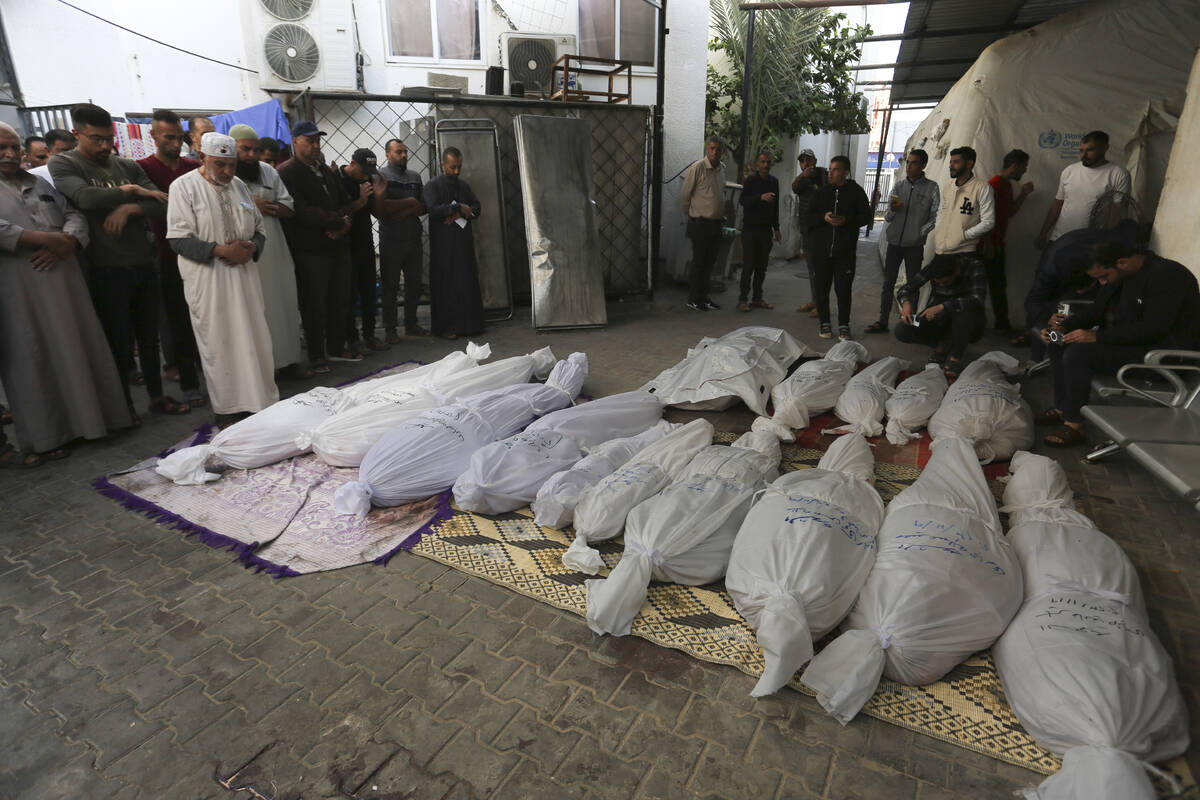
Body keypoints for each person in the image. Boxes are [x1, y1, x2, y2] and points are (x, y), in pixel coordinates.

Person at [49, 103, 190, 422]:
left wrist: (130, 209)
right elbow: (84, 198)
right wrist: (130, 191)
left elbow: (164, 204)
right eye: (96, 139)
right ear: (77, 134)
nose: (104, 146)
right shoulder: (63, 163)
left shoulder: (124, 164)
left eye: (108, 138)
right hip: (103, 267)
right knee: (119, 342)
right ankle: (122, 405)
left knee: (149, 339)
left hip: (142, 261)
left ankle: (157, 396)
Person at [0, 122, 131, 461]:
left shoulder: (39, 181)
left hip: (67, 282)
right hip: (21, 290)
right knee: (33, 358)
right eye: (3, 148)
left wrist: (68, 241)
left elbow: (74, 214)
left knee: (81, 347)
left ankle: (99, 421)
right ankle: (49, 436)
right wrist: (45, 239)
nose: (10, 154)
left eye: (15, 147)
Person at [1038, 241, 1199, 447]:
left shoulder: (1169, 276)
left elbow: (1153, 328)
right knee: (1059, 342)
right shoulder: (1120, 277)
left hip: (1163, 357)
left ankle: (1074, 425)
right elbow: (1096, 311)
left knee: (1080, 353)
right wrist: (1062, 327)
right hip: (1131, 347)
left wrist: (1098, 337)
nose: (1103, 283)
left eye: (1104, 277)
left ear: (1122, 263)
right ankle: (1063, 408)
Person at [167, 132, 278, 427]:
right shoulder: (183, 187)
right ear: (202, 158)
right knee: (219, 341)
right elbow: (177, 239)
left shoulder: (239, 186)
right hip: (209, 281)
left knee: (254, 337)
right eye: (220, 165)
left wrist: (251, 248)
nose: (228, 172)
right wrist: (219, 250)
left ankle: (261, 402)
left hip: (244, 277)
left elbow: (259, 229)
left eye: (232, 165)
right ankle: (228, 408)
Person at [277, 120, 368, 372]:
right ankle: (317, 355)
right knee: (314, 303)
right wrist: (337, 221)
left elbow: (344, 201)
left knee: (340, 299)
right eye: (310, 140)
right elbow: (300, 211)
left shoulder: (326, 171)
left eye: (318, 140)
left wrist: (343, 223)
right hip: (311, 249)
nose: (316, 145)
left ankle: (336, 348)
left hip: (338, 245)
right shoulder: (287, 172)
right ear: (295, 142)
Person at [137, 109, 205, 408]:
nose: (175, 143)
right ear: (153, 135)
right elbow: (147, 205)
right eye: (169, 137)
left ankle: (213, 375)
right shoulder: (143, 168)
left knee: (205, 318)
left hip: (202, 253)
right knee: (178, 322)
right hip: (167, 256)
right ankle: (189, 382)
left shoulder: (193, 167)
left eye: (180, 137)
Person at [230, 123, 306, 378]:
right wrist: (254, 206)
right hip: (246, 255)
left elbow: (288, 207)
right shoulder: (226, 176)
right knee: (257, 309)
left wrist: (263, 206)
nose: (251, 155)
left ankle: (289, 361)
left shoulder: (268, 172)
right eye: (244, 149)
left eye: (254, 150)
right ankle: (263, 369)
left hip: (276, 248)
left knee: (284, 301)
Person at [866, 148, 939, 334]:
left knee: (913, 284)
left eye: (914, 163)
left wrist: (919, 233)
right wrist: (893, 209)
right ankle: (882, 321)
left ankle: (910, 324)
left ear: (923, 165)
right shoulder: (899, 186)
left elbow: (935, 216)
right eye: (908, 162)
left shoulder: (932, 188)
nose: (909, 166)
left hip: (914, 246)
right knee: (888, 282)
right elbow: (889, 217)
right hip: (894, 243)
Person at [804, 155, 871, 340]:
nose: (830, 173)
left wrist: (847, 221)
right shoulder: (822, 193)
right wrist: (823, 218)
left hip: (845, 252)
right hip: (822, 251)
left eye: (836, 169)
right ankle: (824, 323)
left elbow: (866, 216)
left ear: (846, 172)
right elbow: (808, 217)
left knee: (843, 290)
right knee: (822, 289)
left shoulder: (856, 192)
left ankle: (843, 325)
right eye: (830, 169)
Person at [423, 146, 483, 340]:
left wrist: (460, 212)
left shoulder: (463, 185)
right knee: (446, 285)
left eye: (459, 167)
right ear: (443, 165)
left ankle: (470, 325)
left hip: (463, 244)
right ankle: (447, 327)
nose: (456, 171)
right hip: (444, 246)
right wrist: (457, 207)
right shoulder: (433, 186)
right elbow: (432, 210)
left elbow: (476, 207)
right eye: (452, 167)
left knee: (466, 282)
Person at [895, 253, 988, 378]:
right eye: (938, 283)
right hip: (938, 317)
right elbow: (906, 288)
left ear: (957, 270)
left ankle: (955, 357)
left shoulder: (974, 267)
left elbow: (977, 299)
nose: (941, 285)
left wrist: (942, 307)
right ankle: (943, 344)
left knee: (964, 314)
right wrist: (906, 303)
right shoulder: (933, 267)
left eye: (945, 282)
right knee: (902, 330)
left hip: (966, 317)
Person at [1035, 130, 1131, 250]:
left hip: (1092, 242)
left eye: (1090, 150)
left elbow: (1119, 211)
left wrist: (1108, 241)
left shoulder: (1118, 173)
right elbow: (1057, 204)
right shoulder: (1069, 171)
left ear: (1105, 148)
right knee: (1047, 269)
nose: (1083, 155)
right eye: (1081, 150)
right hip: (1060, 238)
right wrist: (1043, 233)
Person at [979, 149, 1034, 342]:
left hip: (997, 244)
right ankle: (981, 326)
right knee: (985, 287)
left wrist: (1024, 195)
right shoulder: (993, 185)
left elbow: (1009, 212)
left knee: (998, 286)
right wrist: (987, 243)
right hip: (987, 245)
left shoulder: (1007, 186)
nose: (1024, 171)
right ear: (1014, 166)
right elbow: (982, 216)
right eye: (1024, 167)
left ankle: (1002, 325)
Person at [376, 138, 426, 341]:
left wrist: (405, 207)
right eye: (399, 152)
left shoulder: (415, 176)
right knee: (391, 285)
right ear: (388, 154)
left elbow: (423, 206)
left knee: (414, 284)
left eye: (405, 151)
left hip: (413, 238)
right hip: (391, 240)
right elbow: (381, 207)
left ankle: (411, 324)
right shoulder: (381, 176)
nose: (404, 155)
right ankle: (390, 329)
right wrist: (409, 203)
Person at [339, 148, 387, 354]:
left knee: (369, 292)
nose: (367, 175)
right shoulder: (337, 179)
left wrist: (378, 196)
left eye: (370, 171)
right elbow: (337, 212)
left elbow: (377, 212)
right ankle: (352, 338)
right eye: (364, 171)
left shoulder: (365, 181)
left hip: (365, 243)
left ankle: (369, 334)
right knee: (348, 294)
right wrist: (359, 201)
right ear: (352, 164)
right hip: (345, 245)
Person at [679, 135, 726, 311]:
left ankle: (704, 297)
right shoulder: (697, 168)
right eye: (712, 148)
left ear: (723, 151)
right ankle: (693, 298)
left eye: (718, 149)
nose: (715, 152)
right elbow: (685, 195)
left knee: (710, 263)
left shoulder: (722, 169)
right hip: (700, 223)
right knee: (699, 262)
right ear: (707, 149)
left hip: (715, 224)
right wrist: (691, 214)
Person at [737, 149, 780, 312]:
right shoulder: (750, 181)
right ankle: (742, 299)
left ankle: (757, 298)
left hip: (765, 230)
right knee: (748, 265)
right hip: (750, 229)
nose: (765, 165)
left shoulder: (774, 182)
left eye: (768, 162)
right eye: (762, 161)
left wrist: (777, 228)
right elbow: (742, 200)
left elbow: (775, 208)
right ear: (757, 164)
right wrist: (760, 198)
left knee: (762, 266)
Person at [791, 147, 826, 314]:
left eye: (808, 160)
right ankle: (815, 301)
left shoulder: (823, 175)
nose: (805, 163)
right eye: (802, 160)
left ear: (815, 161)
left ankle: (821, 304)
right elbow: (794, 187)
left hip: (821, 230)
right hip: (806, 229)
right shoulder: (802, 180)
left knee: (820, 268)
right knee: (811, 267)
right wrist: (802, 175)